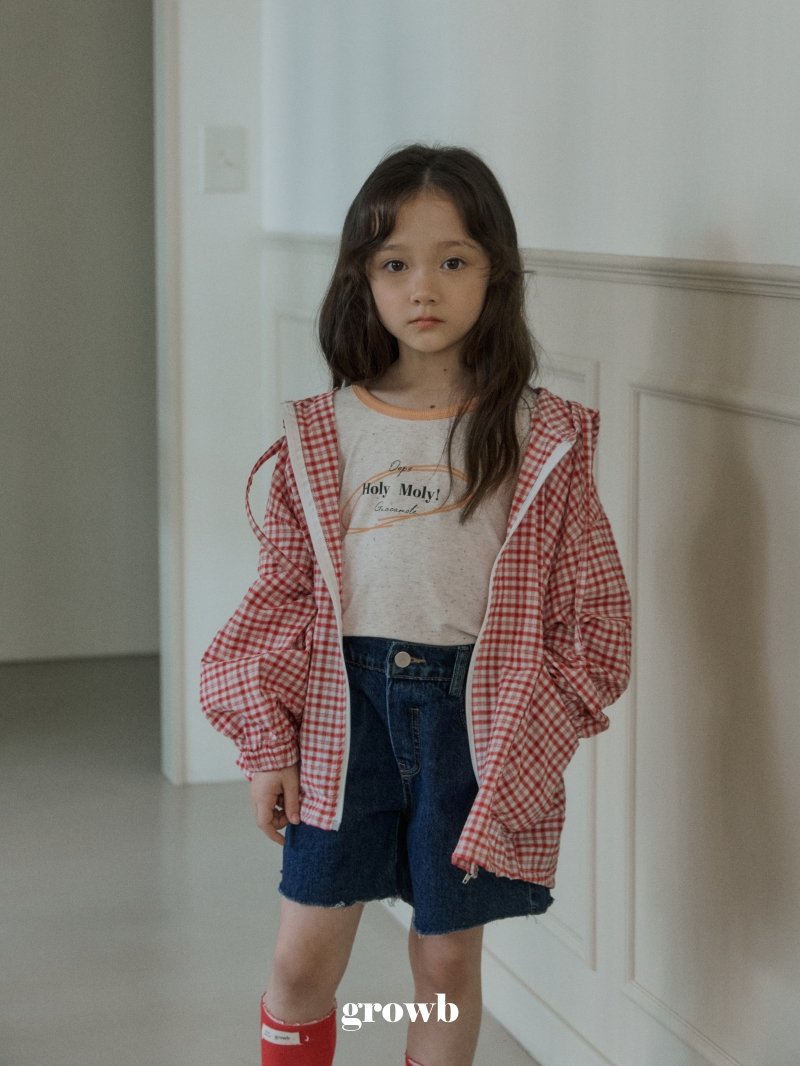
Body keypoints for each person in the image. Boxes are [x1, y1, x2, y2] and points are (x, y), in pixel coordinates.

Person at [200, 143, 632, 1066]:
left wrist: (529, 741)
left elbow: (595, 624)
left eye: (453, 260)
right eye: (394, 263)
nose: (423, 287)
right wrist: (266, 744)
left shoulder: (540, 437)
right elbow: (282, 600)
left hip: (471, 725)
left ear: (495, 273)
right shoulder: (324, 432)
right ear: (362, 279)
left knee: (441, 967)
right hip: (342, 714)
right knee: (302, 958)